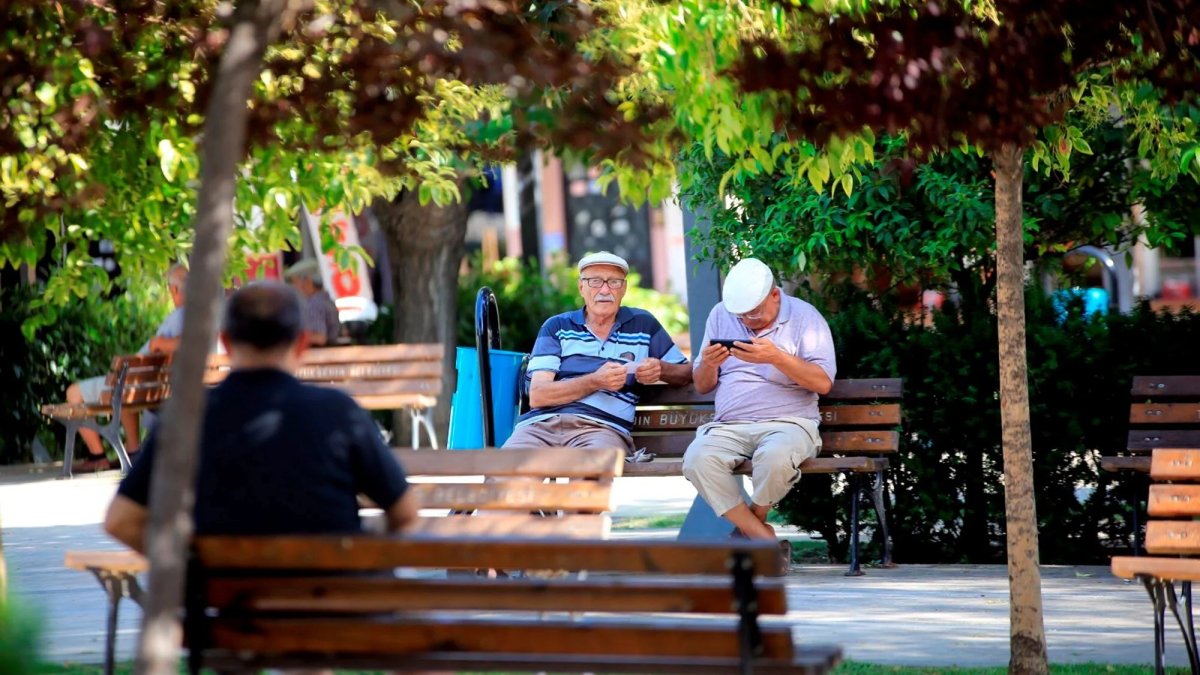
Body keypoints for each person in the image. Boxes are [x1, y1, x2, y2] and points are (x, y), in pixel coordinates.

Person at [104, 281, 417, 553]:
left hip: (225, 614)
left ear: (225, 343)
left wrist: (186, 566)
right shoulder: (339, 413)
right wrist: (360, 548)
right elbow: (405, 511)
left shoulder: (186, 417)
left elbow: (120, 520)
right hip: (327, 610)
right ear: (302, 344)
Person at [682, 258, 837, 541]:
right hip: (729, 425)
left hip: (789, 422)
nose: (747, 321)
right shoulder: (720, 315)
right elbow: (703, 386)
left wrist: (776, 357)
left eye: (753, 313)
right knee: (696, 459)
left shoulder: (805, 317)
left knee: (775, 456)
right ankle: (762, 537)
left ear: (775, 295)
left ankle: (752, 525)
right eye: (740, 316)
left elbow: (823, 382)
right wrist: (708, 364)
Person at [503, 251, 692, 453]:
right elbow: (539, 396)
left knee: (589, 476)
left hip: (602, 430)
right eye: (595, 281)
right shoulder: (556, 327)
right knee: (504, 474)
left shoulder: (643, 325)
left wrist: (661, 369)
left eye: (614, 282)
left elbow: (686, 372)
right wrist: (596, 381)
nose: (604, 290)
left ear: (624, 288)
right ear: (581, 287)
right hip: (540, 428)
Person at [64, 263, 189, 472]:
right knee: (127, 385)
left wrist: (157, 343)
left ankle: (98, 456)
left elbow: (184, 341)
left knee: (74, 392)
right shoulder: (203, 317)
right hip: (147, 385)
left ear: (174, 290)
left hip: (135, 384)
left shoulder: (181, 317)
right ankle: (133, 451)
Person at [285, 258, 342, 347]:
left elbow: (319, 338)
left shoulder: (314, 304)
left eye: (295, 283)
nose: (294, 288)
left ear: (308, 281)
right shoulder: (327, 301)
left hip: (318, 355)